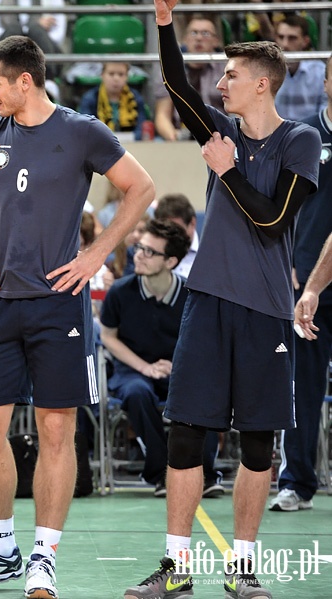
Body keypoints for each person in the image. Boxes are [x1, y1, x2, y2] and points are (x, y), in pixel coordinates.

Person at [0, 35, 155, 598]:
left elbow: (141, 187)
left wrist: (97, 253)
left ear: (24, 81)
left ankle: (44, 557)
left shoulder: (81, 131)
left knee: (58, 429)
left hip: (61, 305)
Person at [124, 3, 320, 598]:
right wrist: (164, 24)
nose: (221, 82)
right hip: (206, 304)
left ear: (261, 83)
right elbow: (178, 86)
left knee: (259, 442)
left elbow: (272, 221)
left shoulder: (302, 139)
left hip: (265, 312)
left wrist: (227, 173)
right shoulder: (220, 132)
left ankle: (242, 570)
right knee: (187, 432)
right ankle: (177, 568)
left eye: (231, 74)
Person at [100, 219, 223, 498]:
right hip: (133, 370)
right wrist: (144, 367)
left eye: (150, 252)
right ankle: (161, 473)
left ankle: (205, 472)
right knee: (136, 392)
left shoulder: (191, 294)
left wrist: (177, 366)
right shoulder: (121, 292)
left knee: (201, 392)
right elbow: (108, 337)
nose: (139, 255)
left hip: (179, 369)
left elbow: (204, 341)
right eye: (140, 248)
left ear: (171, 261)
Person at [269, 54, 332, 513]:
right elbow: (278, 207)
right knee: (300, 386)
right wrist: (284, 261)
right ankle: (296, 482)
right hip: (306, 281)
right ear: (325, 83)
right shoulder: (302, 135)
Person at [153, 14, 225, 142]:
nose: (198, 38)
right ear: (185, 39)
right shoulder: (169, 68)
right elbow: (162, 115)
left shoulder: (226, 69)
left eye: (205, 33)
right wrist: (172, 136)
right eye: (194, 33)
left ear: (216, 41)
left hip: (220, 135)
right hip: (181, 135)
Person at [273, 15, 326, 122]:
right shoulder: (267, 70)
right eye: (281, 37)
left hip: (311, 134)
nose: (285, 44)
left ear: (305, 41)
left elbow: (325, 114)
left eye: (292, 38)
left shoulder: (320, 72)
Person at [78, 62, 150, 142]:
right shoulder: (90, 98)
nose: (116, 78)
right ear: (102, 75)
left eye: (121, 74)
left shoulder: (136, 98)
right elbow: (86, 129)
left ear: (127, 77)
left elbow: (142, 129)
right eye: (111, 74)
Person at [153, 193, 199, 279]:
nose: (171, 235)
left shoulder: (212, 251)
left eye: (176, 229)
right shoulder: (149, 252)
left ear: (192, 223)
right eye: (166, 230)